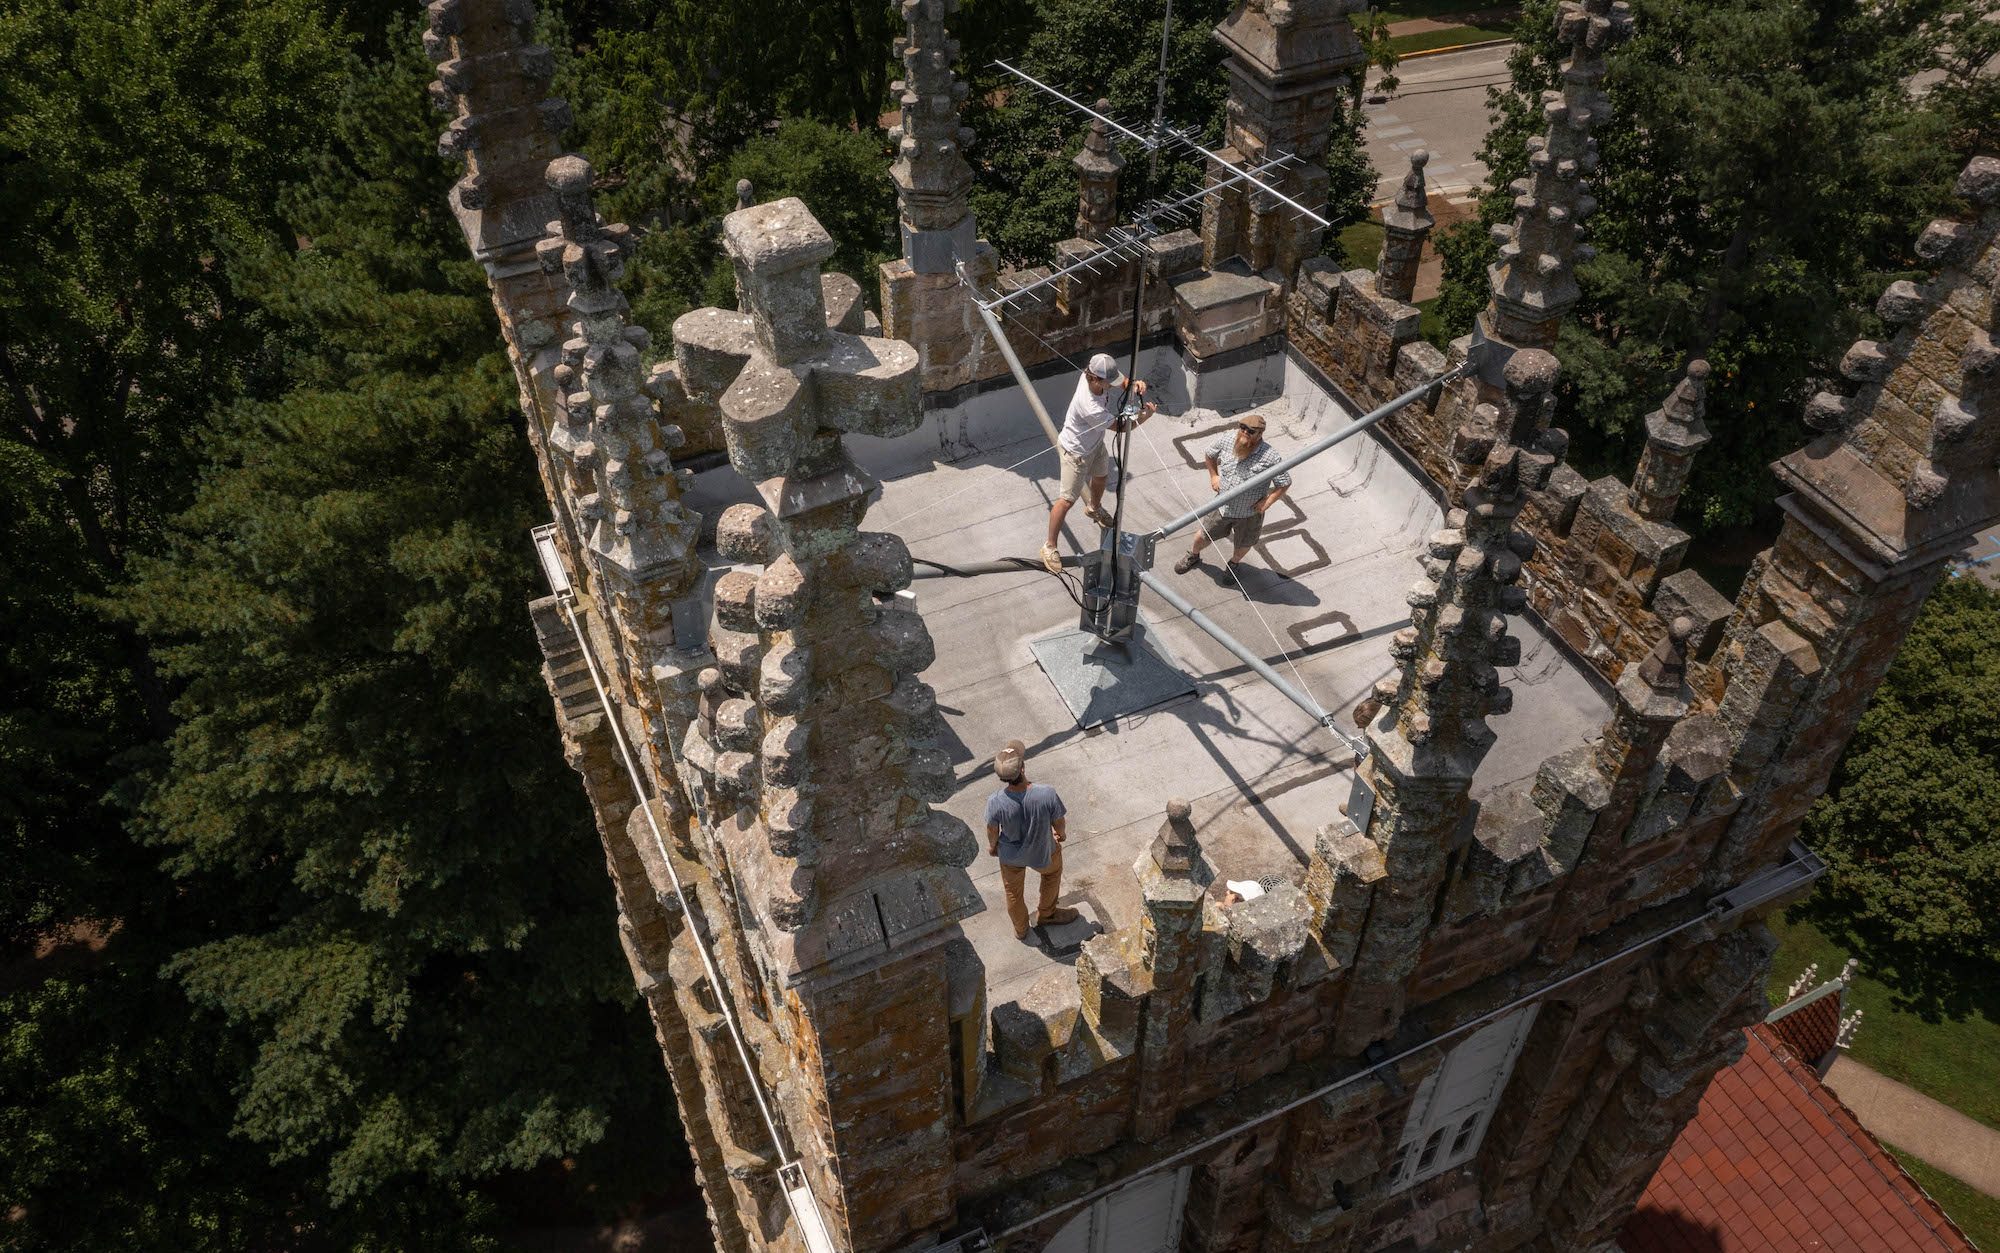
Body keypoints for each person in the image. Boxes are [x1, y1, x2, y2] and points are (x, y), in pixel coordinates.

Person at [1040, 352, 1158, 573]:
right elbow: (1123, 427)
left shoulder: (1092, 376)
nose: (1112, 385)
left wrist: (1134, 385)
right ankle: (1049, 546)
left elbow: (1122, 382)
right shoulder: (1090, 406)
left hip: (1094, 444)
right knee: (1066, 500)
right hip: (1076, 452)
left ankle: (1094, 507)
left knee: (1102, 476)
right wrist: (1145, 416)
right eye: (1108, 382)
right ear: (1094, 378)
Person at [983, 739, 1081, 942]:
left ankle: (1021, 930)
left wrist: (993, 847)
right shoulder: (1046, 794)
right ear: (1023, 767)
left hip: (1011, 857)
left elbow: (992, 830)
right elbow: (1059, 822)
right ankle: (1047, 914)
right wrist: (1060, 835)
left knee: (1013, 894)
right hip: (1043, 850)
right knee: (1052, 875)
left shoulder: (995, 801)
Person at [1173, 411, 1290, 574]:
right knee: (1202, 536)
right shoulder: (1228, 439)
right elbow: (1209, 453)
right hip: (1222, 506)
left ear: (1260, 434)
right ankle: (1193, 556)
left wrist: (1267, 502)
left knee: (1244, 544)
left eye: (1251, 431)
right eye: (1242, 428)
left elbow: (1284, 483)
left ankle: (1233, 564)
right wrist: (1214, 476)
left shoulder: (1270, 456)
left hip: (1249, 513)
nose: (1245, 432)